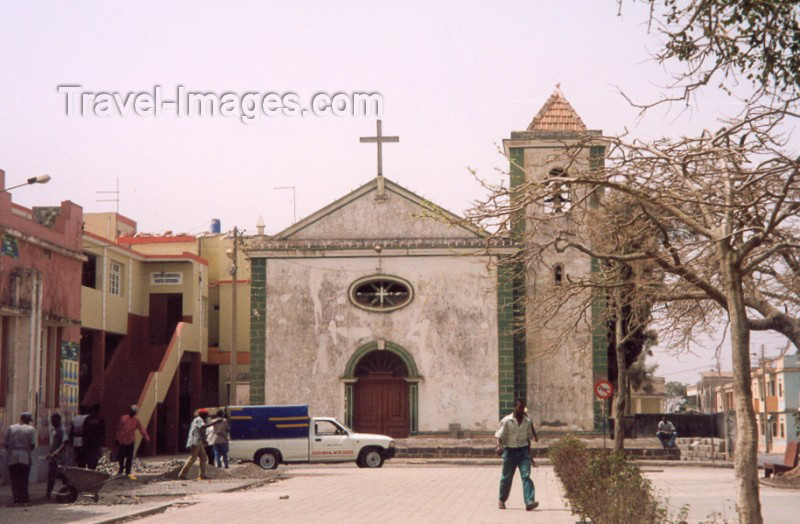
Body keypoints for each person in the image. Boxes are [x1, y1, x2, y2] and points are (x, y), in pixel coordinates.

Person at [495, 399, 539, 511]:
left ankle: (529, 501)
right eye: (519, 407)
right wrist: (498, 447)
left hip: (523, 452)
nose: (521, 410)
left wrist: (531, 458)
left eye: (522, 408)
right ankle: (502, 499)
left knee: (526, 476)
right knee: (506, 477)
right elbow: (499, 435)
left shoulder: (527, 422)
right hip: (509, 452)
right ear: (514, 408)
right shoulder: (506, 421)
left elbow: (528, 440)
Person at [3, 412, 37, 505]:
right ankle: (24, 497)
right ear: (28, 421)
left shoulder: (11, 428)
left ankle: (16, 497)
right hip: (24, 455)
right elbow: (33, 444)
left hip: (12, 455)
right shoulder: (30, 429)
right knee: (24, 478)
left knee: (14, 478)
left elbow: (5, 443)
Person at [116, 404, 150, 477]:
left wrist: (146, 438)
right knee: (121, 456)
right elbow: (119, 429)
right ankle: (121, 468)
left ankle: (128, 472)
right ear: (130, 410)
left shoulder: (136, 421)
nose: (132, 413)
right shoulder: (123, 418)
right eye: (132, 411)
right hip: (122, 440)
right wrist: (117, 438)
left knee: (129, 457)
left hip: (131, 441)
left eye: (134, 412)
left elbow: (142, 430)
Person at [178, 409, 212, 480]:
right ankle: (181, 475)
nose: (207, 416)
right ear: (202, 414)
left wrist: (204, 440)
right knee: (192, 458)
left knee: (203, 458)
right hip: (195, 441)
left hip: (198, 441)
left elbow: (200, 431)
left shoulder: (200, 420)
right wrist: (214, 423)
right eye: (206, 414)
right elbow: (202, 427)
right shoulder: (198, 419)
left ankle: (202, 475)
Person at [47, 412, 69, 499]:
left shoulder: (62, 430)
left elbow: (65, 442)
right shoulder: (53, 430)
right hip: (53, 457)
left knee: (63, 475)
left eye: (53, 421)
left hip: (60, 458)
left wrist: (57, 452)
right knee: (51, 475)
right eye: (51, 421)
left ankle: (68, 490)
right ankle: (48, 494)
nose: (52, 422)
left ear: (58, 420)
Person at [83, 403, 106, 470]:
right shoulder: (100, 419)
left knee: (90, 455)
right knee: (95, 456)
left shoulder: (88, 419)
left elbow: (84, 430)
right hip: (96, 441)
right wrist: (103, 442)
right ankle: (92, 468)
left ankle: (91, 467)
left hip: (89, 440)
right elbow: (103, 432)